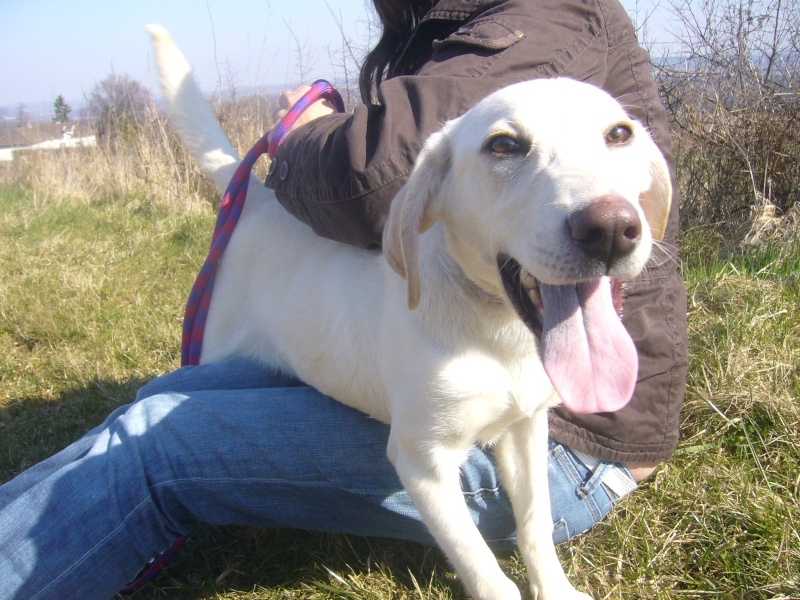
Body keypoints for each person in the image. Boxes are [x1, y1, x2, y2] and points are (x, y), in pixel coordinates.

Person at [0, 0, 688, 598]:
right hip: (336, 326)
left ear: (650, 183)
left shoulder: (539, 15)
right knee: (152, 406)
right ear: (429, 204)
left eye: (619, 137)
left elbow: (370, 168)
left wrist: (522, 578)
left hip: (586, 453)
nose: (611, 216)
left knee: (157, 446)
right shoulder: (434, 33)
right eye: (510, 149)